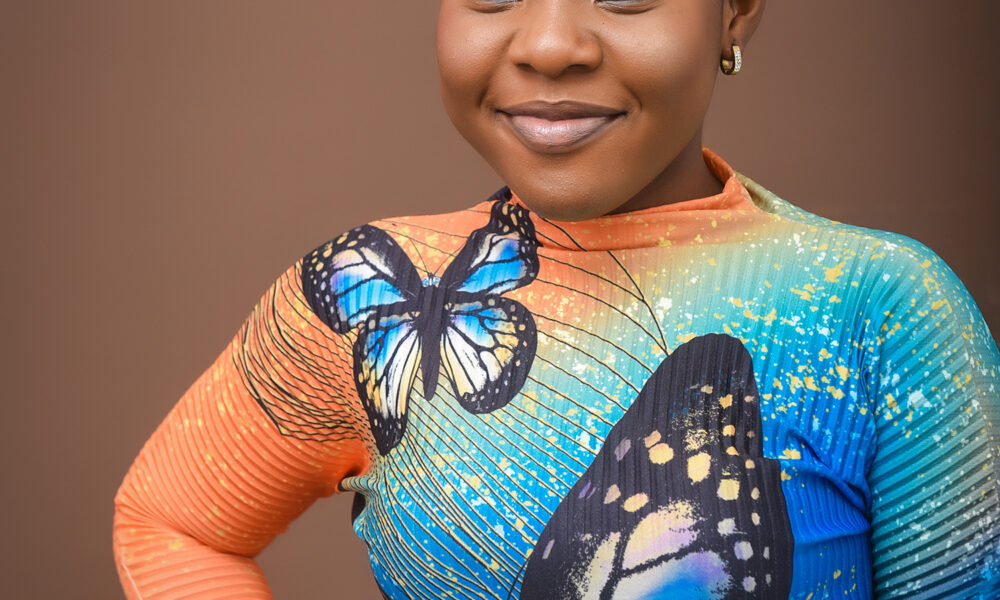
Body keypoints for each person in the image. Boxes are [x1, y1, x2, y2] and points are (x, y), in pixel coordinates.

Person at [113, 0, 1000, 598]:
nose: (548, 43)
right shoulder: (362, 295)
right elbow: (171, 522)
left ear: (735, 8)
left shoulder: (879, 308)